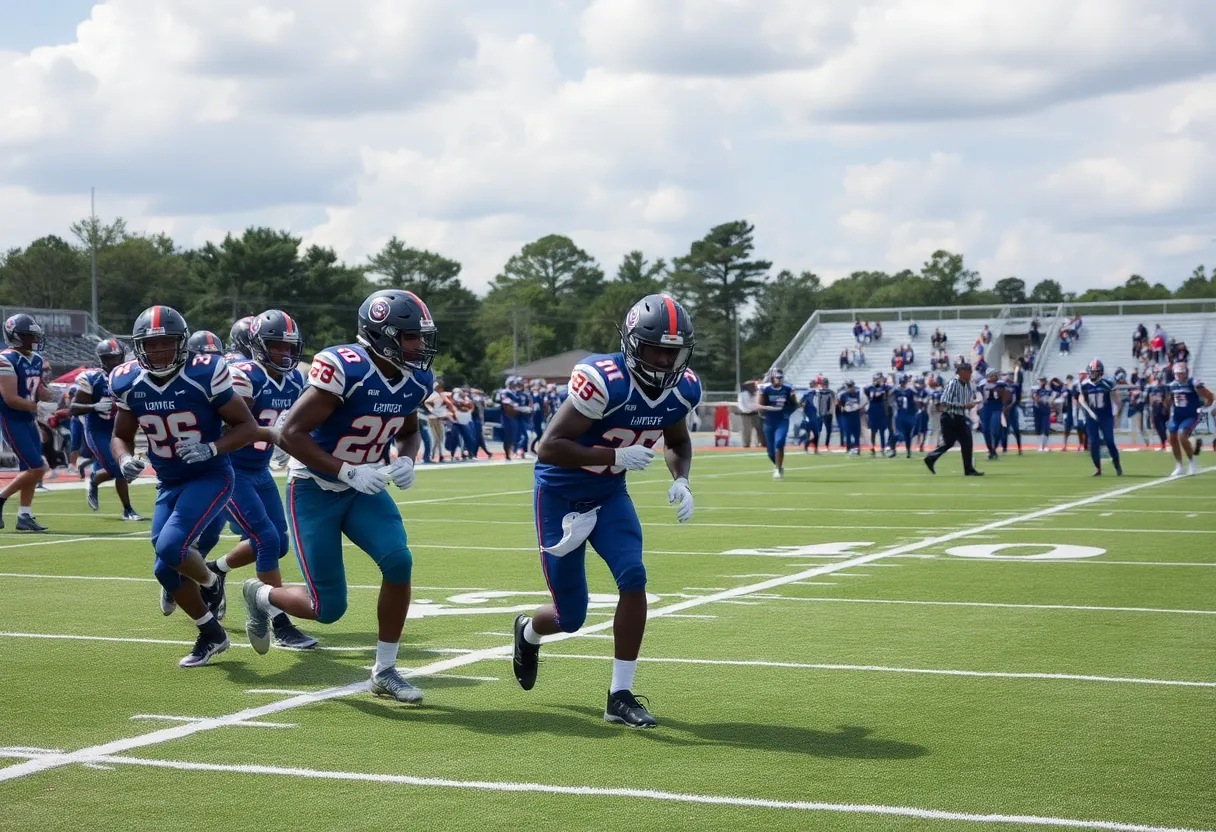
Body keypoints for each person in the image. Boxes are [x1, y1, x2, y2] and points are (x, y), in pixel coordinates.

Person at [513, 293, 699, 728]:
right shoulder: (604, 379)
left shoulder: (682, 387)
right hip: (560, 496)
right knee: (570, 616)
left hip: (610, 495)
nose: (665, 360)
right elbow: (549, 447)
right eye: (656, 348)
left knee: (633, 576)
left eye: (674, 351)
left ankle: (619, 695)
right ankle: (528, 631)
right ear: (633, 343)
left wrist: (681, 478)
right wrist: (613, 457)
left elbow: (677, 441)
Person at [242, 290, 436, 702]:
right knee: (327, 609)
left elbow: (409, 430)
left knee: (399, 561)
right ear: (381, 335)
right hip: (316, 487)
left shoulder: (416, 378)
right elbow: (290, 433)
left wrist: (407, 459)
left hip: (364, 489)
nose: (419, 346)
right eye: (410, 337)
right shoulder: (346, 368)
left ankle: (385, 671)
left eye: (421, 336)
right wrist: (345, 469)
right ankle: (259, 595)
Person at [110, 305, 260, 667]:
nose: (159, 351)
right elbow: (120, 435)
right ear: (139, 346)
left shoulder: (204, 372)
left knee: (171, 545)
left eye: (167, 343)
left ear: (182, 344)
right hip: (169, 481)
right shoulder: (127, 380)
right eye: (152, 344)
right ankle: (212, 633)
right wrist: (124, 459)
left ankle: (210, 582)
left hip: (210, 474)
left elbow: (248, 427)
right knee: (164, 567)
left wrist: (212, 447)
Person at [200, 310, 315, 650]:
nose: (285, 354)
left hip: (260, 468)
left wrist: (288, 443)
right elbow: (229, 426)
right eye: (277, 346)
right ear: (259, 346)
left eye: (290, 347)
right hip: (231, 468)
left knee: (279, 543)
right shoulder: (244, 376)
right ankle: (277, 618)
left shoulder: (295, 380)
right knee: (265, 538)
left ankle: (214, 569)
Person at [71, 338, 142, 520]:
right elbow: (74, 408)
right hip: (98, 430)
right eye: (108, 358)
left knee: (125, 470)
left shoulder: (129, 376)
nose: (114, 362)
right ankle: (95, 480)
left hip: (120, 428)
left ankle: (127, 509)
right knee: (116, 470)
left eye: (116, 357)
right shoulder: (93, 378)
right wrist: (94, 406)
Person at [0, 314, 56, 531]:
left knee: (30, 469)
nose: (32, 339)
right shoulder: (5, 359)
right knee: (37, 467)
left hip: (29, 420)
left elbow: (38, 391)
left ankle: (25, 515)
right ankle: (2, 497)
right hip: (13, 420)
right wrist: (38, 407)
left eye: (33, 335)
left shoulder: (37, 359)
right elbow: (10, 398)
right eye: (27, 335)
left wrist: (50, 396)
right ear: (14, 337)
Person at [924, 359, 982, 476]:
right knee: (951, 442)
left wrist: (972, 403)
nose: (970, 374)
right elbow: (943, 403)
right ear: (962, 372)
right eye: (969, 372)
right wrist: (964, 406)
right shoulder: (953, 384)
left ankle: (968, 469)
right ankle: (931, 458)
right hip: (950, 417)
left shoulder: (966, 386)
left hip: (959, 417)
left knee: (965, 441)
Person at [1165, 363, 1213, 476]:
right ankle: (1179, 465)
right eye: (1177, 373)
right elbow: (1168, 399)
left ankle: (1192, 462)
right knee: (1172, 438)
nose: (1179, 376)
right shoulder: (1172, 385)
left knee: (1182, 436)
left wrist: (1207, 405)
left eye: (1181, 373)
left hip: (1190, 415)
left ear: (1186, 373)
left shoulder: (1193, 383)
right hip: (1176, 416)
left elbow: (1209, 395)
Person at [1079, 360, 1122, 477]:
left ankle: (1117, 463)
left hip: (1105, 416)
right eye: (1092, 371)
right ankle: (1097, 468)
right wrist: (1087, 409)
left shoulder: (1108, 383)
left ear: (1100, 372)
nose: (1093, 374)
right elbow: (1081, 398)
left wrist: (1116, 415)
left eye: (1096, 372)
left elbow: (1116, 400)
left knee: (1109, 441)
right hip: (1091, 416)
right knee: (1093, 442)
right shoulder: (1085, 384)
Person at [758, 367, 797, 478]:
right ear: (772, 378)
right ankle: (778, 465)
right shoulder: (764, 389)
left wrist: (792, 401)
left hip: (782, 419)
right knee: (770, 451)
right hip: (769, 420)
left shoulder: (788, 389)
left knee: (779, 442)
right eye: (777, 377)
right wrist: (765, 408)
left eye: (781, 378)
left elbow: (795, 404)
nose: (779, 380)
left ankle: (778, 469)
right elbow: (760, 405)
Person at [863, 372, 892, 457]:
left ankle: (882, 448)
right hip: (873, 410)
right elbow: (865, 390)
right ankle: (873, 449)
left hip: (880, 409)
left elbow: (890, 388)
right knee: (873, 431)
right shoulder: (870, 387)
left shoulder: (884, 387)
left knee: (882, 430)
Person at [892, 374, 918, 458]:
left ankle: (908, 451)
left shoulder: (908, 390)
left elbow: (915, 400)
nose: (902, 384)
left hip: (907, 415)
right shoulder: (900, 390)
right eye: (902, 382)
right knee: (898, 434)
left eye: (903, 382)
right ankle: (893, 450)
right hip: (901, 415)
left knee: (907, 434)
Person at [838, 380, 862, 456]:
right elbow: (839, 403)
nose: (849, 388)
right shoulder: (843, 395)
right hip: (847, 417)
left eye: (850, 386)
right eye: (848, 386)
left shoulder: (857, 394)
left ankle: (857, 449)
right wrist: (841, 408)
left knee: (856, 434)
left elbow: (861, 403)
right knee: (848, 434)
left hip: (855, 416)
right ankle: (848, 449)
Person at [812, 377, 836, 451]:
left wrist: (830, 411)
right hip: (823, 413)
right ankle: (821, 446)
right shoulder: (819, 392)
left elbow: (833, 402)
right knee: (821, 430)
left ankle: (824, 445)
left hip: (824, 413)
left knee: (824, 430)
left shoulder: (829, 392)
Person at [736, 380, 760, 447]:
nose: (755, 387)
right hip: (745, 414)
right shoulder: (743, 394)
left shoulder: (756, 392)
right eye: (753, 386)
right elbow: (746, 406)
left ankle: (758, 444)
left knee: (759, 429)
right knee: (746, 431)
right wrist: (756, 406)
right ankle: (746, 445)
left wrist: (756, 406)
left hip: (755, 413)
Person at [1032, 377, 1053, 452]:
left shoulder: (1048, 390)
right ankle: (1040, 446)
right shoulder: (1036, 390)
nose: (1042, 382)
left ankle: (1045, 446)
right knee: (1039, 428)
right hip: (1038, 411)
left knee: (1045, 428)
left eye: (1043, 381)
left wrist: (1049, 402)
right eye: (1041, 381)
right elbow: (1035, 399)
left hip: (1046, 411)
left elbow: (1051, 398)